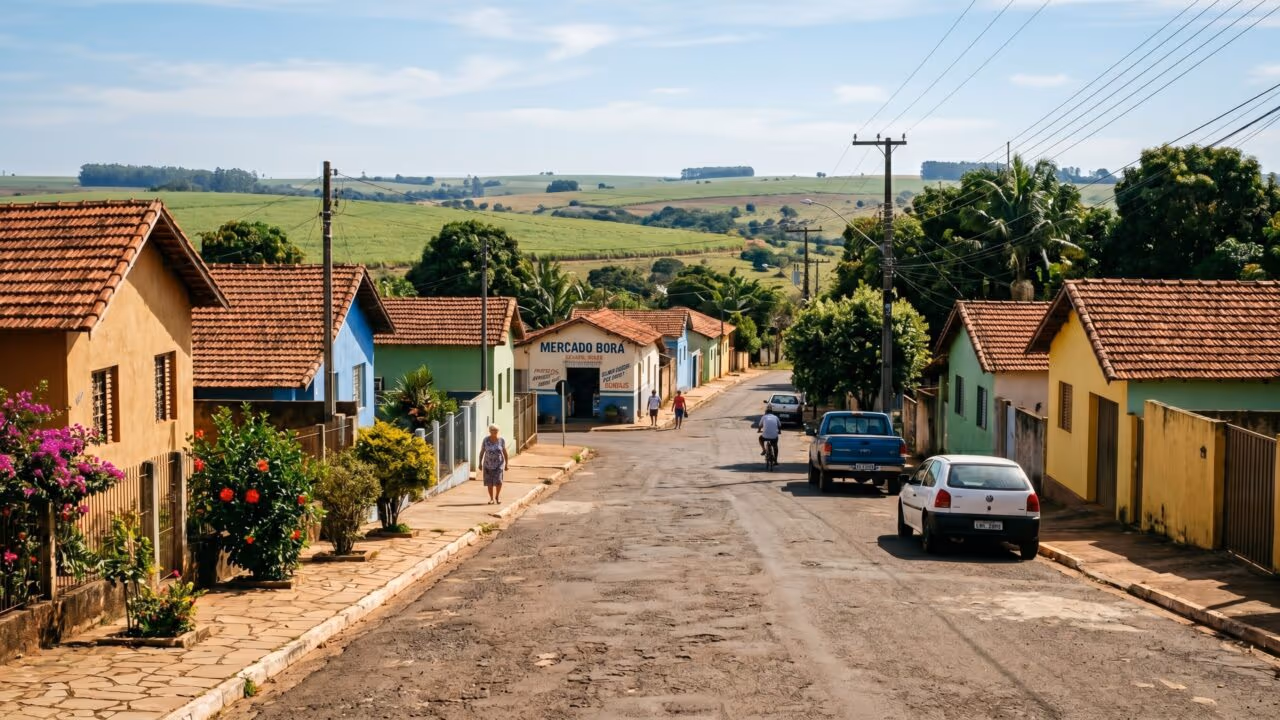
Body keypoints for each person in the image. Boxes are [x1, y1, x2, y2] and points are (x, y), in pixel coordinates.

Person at [481, 424, 509, 505]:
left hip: (499, 464)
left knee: (499, 481)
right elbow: (482, 451)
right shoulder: (485, 440)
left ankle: (497, 496)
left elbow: (505, 452)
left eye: (496, 430)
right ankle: (491, 499)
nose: (495, 432)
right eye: (493, 430)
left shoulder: (501, 440)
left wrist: (507, 464)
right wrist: (479, 463)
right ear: (490, 431)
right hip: (488, 464)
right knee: (489, 482)